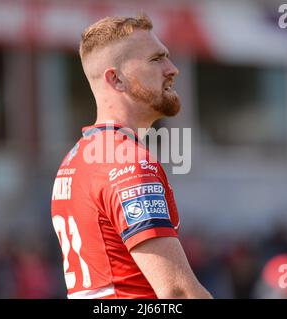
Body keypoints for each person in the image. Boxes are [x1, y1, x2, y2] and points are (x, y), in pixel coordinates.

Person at [51, 13, 212, 299]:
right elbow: (178, 292)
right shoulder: (127, 161)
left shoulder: (75, 158)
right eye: (156, 59)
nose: (172, 69)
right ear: (116, 79)